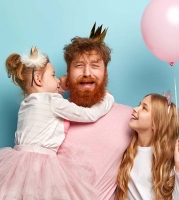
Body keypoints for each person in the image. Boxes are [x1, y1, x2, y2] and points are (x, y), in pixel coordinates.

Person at [0, 46, 115, 200]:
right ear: (38, 79)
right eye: (54, 75)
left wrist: (60, 87)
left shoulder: (27, 103)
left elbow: (46, 103)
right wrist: (106, 99)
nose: (57, 80)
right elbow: (89, 114)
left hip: (18, 163)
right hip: (43, 164)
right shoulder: (53, 101)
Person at [57, 23, 133, 199]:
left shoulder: (129, 117)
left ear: (105, 72)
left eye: (95, 65)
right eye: (79, 65)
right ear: (68, 73)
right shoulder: (53, 115)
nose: (87, 72)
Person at [116, 91, 179, 200]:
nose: (135, 108)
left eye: (144, 108)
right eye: (139, 104)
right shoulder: (125, 149)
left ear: (156, 123)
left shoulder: (165, 158)